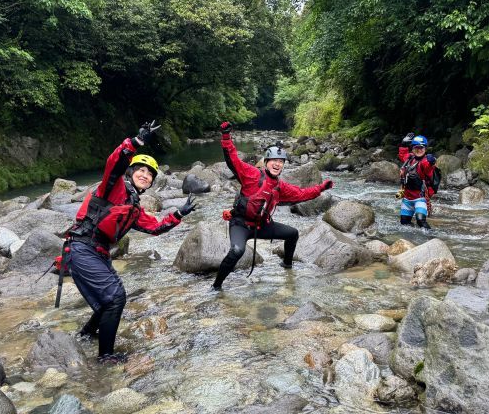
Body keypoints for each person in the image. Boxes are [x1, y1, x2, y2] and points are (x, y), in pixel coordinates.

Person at [67, 121, 197, 364]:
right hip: (81, 248)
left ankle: (87, 333)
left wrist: (179, 214)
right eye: (141, 170)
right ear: (131, 171)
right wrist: (136, 143)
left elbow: (156, 228)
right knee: (116, 297)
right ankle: (105, 356)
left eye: (150, 174)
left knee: (111, 298)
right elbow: (114, 163)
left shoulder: (134, 208)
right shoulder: (113, 186)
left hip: (96, 252)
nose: (146, 175)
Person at [211, 121, 334, 291]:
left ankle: (287, 266)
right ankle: (216, 287)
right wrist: (226, 137)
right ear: (266, 162)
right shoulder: (252, 174)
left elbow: (301, 193)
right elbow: (233, 160)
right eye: (274, 160)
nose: (277, 164)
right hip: (240, 224)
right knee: (237, 251)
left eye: (281, 161)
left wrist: (321, 188)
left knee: (293, 234)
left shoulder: (280, 186)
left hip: (262, 226)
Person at [397, 132, 438, 228]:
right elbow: (402, 154)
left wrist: (432, 161)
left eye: (421, 148)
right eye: (416, 147)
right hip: (407, 198)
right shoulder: (409, 158)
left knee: (420, 220)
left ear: (425, 149)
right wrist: (403, 144)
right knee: (404, 223)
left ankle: (431, 238)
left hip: (420, 198)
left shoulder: (425, 161)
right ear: (412, 148)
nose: (419, 150)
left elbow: (429, 167)